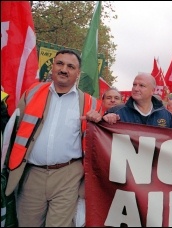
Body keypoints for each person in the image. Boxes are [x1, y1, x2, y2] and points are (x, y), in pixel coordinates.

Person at [4, 49, 102, 227]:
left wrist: (106, 118)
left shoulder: (91, 103)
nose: (64, 69)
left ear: (78, 73)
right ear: (53, 67)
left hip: (68, 176)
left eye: (70, 66)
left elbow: (104, 136)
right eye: (60, 64)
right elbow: (12, 127)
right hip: (31, 174)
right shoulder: (31, 93)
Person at [103, 72, 172, 128]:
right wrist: (102, 119)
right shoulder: (116, 112)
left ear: (152, 91)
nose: (136, 89)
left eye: (141, 85)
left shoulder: (166, 116)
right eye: (134, 85)